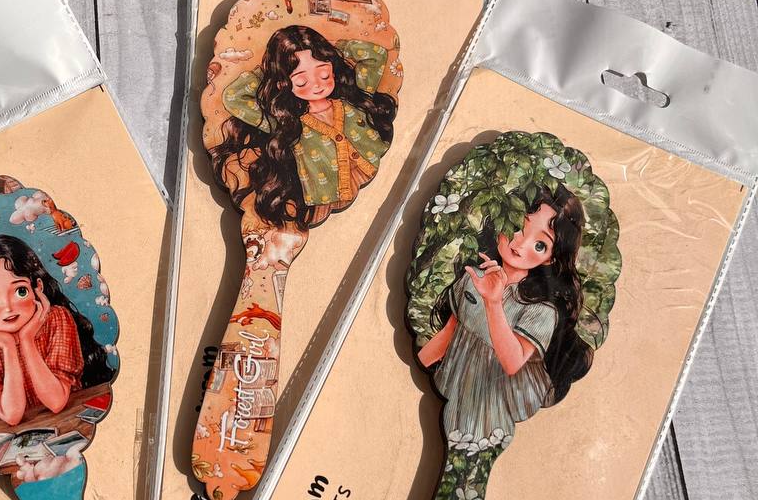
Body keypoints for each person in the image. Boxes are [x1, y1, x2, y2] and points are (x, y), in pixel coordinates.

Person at [417, 185, 593, 446]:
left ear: (550, 258)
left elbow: (512, 362)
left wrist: (494, 302)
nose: (520, 243)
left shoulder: (541, 310)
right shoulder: (474, 278)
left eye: (540, 244)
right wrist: (415, 365)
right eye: (519, 226)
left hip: (498, 404)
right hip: (454, 383)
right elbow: (449, 334)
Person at [210, 24, 397, 228]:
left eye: (323, 74)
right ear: (283, 83)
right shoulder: (285, 122)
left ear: (333, 68)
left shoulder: (352, 99)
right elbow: (233, 96)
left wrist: (333, 48)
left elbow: (376, 55)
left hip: (388, 175)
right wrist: (272, 69)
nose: (316, 85)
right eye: (301, 82)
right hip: (328, 200)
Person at [0, 235, 109, 432]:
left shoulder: (56, 318)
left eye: (20, 291)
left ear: (38, 288)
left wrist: (27, 340)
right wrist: (8, 346)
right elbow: (12, 415)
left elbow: (56, 402)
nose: (8, 308)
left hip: (67, 426)